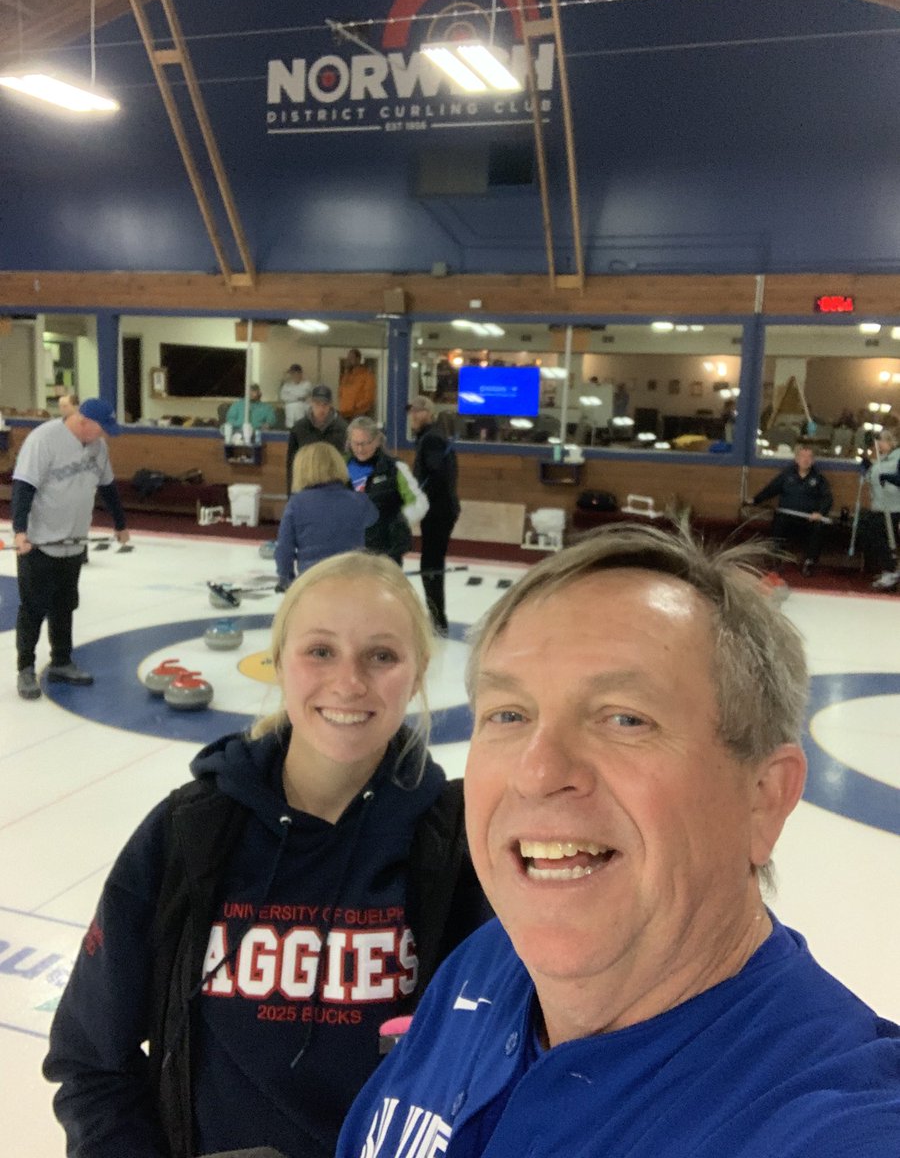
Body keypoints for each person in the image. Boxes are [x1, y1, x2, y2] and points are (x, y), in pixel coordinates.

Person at [337, 522, 900, 1158]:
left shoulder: (832, 1121)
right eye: (509, 715)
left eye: (625, 718)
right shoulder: (487, 962)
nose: (538, 771)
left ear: (764, 796)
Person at [43, 551, 490, 1158]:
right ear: (277, 661)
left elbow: (504, 1069)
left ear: (416, 674)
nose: (350, 682)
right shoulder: (189, 832)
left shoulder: (460, 846)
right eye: (320, 651)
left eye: (382, 655)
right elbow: (91, 1059)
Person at [12, 397, 129, 700]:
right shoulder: (43, 440)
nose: (103, 436)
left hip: (73, 542)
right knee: (33, 608)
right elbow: (24, 487)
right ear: (83, 421)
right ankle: (26, 668)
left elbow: (108, 486)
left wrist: (120, 523)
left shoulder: (97, 448)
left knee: (65, 605)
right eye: (101, 430)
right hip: (39, 543)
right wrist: (20, 531)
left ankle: (62, 661)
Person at [275, 442, 377, 588]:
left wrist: (285, 577)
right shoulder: (359, 501)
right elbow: (374, 521)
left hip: (312, 581)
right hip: (353, 579)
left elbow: (285, 549)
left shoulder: (296, 504)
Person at [408, 396, 459, 635]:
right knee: (431, 561)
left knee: (431, 563)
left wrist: (414, 499)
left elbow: (435, 477)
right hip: (440, 508)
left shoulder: (432, 440)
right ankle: (437, 617)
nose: (414, 416)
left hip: (439, 510)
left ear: (429, 413)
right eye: (412, 412)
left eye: (419, 412)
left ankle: (438, 619)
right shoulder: (430, 437)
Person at [747, 442, 833, 575]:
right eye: (802, 457)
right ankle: (776, 560)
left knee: (819, 527)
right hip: (786, 516)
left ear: (813, 461)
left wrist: (820, 513)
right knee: (778, 522)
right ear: (797, 459)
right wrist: (755, 500)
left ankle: (809, 563)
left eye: (809, 457)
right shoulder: (786, 475)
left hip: (808, 519)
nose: (805, 460)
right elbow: (771, 489)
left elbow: (827, 498)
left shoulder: (819, 479)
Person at [346, 416, 412, 566]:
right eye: (355, 443)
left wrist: (396, 522)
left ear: (376, 441)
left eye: (365, 443)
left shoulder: (395, 468)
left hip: (386, 548)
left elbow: (417, 504)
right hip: (351, 547)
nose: (360, 449)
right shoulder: (340, 466)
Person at [286, 385, 348, 495]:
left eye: (325, 405)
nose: (321, 409)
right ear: (311, 403)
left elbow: (347, 463)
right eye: (317, 404)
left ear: (331, 405)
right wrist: (291, 495)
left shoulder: (343, 429)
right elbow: (292, 464)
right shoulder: (299, 428)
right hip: (305, 488)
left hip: (334, 490)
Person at [860, 427, 900, 590]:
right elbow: (873, 478)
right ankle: (887, 569)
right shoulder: (882, 459)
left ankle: (890, 570)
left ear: (890, 442)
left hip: (893, 506)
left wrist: (888, 478)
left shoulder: (897, 458)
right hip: (879, 505)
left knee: (885, 538)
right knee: (875, 537)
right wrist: (867, 466)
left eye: (882, 441)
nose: (879, 444)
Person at [338, 349, 376, 421]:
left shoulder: (367, 375)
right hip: (344, 414)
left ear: (358, 359)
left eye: (351, 358)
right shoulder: (346, 376)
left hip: (358, 414)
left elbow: (369, 397)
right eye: (348, 358)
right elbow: (341, 394)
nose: (348, 360)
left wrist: (356, 407)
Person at [280, 363, 312, 428]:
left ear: (301, 374)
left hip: (302, 412)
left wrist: (291, 397)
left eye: (297, 373)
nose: (295, 375)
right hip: (290, 414)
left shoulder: (307, 384)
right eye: (293, 373)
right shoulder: (287, 385)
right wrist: (297, 398)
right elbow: (283, 397)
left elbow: (303, 394)